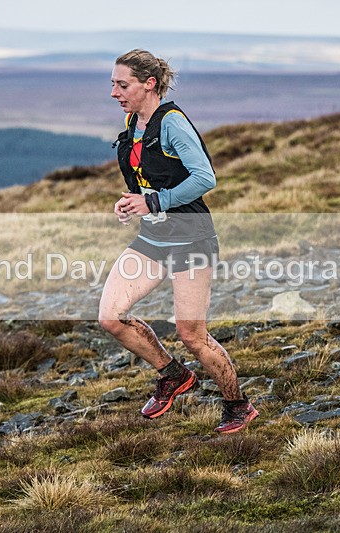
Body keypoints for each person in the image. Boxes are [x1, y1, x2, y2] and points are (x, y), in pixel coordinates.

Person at [98, 49, 258, 434]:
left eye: (123, 84)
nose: (114, 93)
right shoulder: (133, 121)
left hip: (190, 239)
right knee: (110, 316)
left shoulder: (172, 123)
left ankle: (238, 406)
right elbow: (148, 176)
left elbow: (205, 178)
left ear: (149, 84)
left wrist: (154, 200)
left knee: (192, 335)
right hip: (154, 237)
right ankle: (172, 375)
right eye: (113, 84)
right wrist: (132, 202)